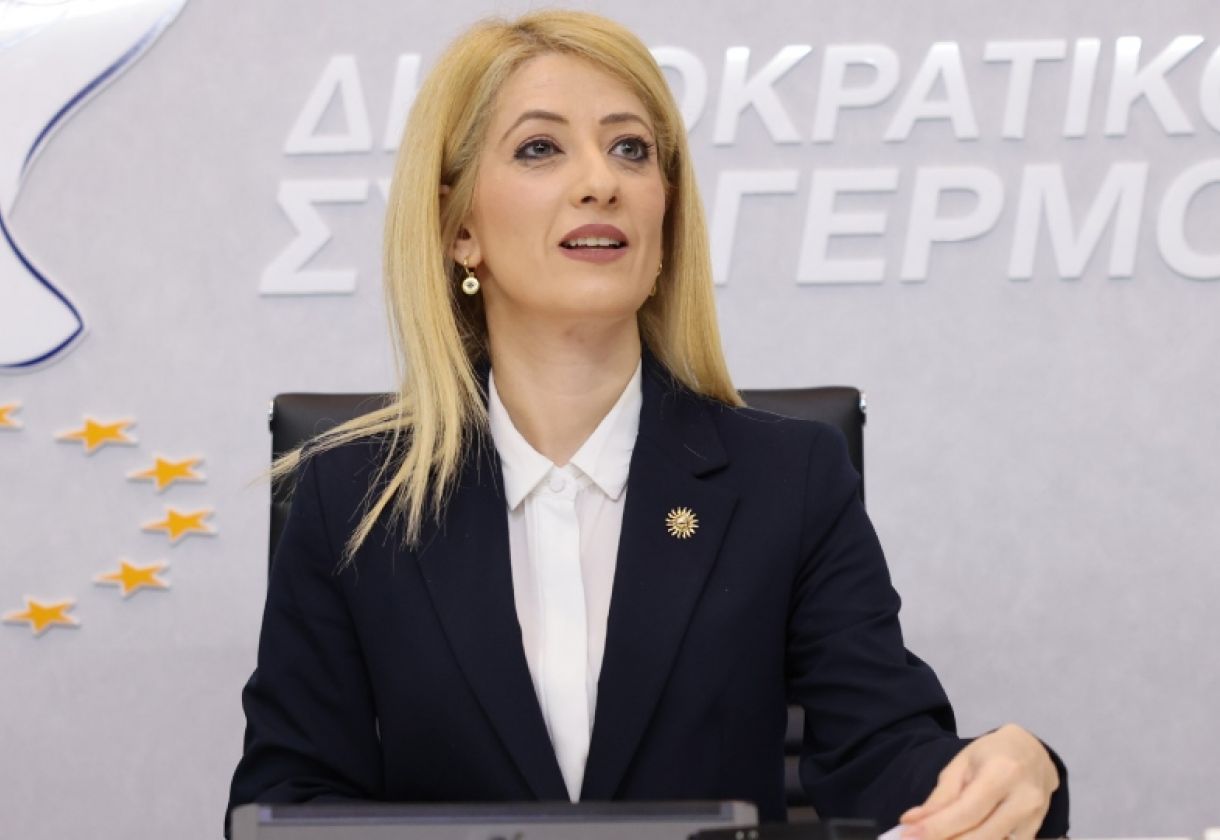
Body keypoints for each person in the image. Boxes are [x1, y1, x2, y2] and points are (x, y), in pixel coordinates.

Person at [228, 10, 1068, 839]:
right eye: (540, 148)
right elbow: (288, 802)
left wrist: (1010, 771)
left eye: (631, 149)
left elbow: (885, 758)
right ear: (460, 230)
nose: (602, 182)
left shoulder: (791, 481)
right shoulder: (352, 500)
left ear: (664, 219)